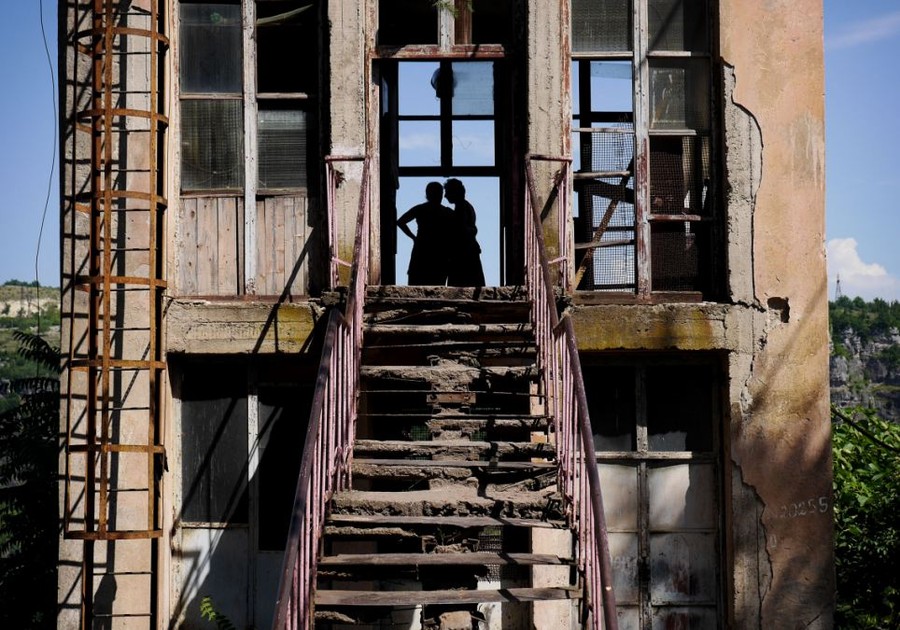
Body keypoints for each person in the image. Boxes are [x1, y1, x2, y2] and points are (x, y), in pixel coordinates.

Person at [397, 182, 454, 285]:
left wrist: (413, 238)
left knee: (416, 281)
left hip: (422, 249)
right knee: (437, 283)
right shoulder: (447, 212)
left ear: (427, 194)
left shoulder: (420, 209)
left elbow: (401, 222)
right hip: (439, 252)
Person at [444, 178, 486, 287]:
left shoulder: (461, 207)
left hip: (464, 252)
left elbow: (461, 230)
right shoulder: (466, 206)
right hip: (469, 249)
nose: (445, 196)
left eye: (447, 192)